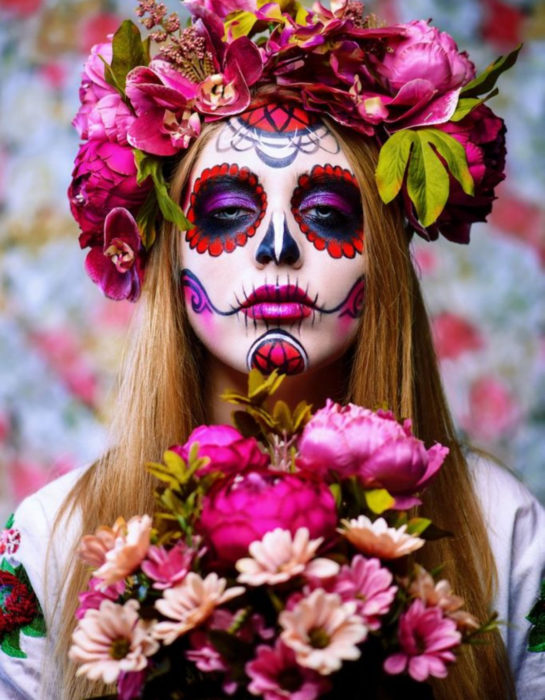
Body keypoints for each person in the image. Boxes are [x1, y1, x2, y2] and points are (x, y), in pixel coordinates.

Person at [1, 1, 544, 698]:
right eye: (228, 213)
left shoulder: (504, 531)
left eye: (325, 214)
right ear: (168, 259)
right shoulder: (50, 542)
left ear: (379, 256)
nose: (278, 247)